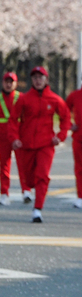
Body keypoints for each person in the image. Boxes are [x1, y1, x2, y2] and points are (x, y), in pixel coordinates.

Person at [12, 65, 70, 224]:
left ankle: (37, 209)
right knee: (30, 180)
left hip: (46, 144)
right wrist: (15, 138)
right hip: (26, 145)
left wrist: (61, 136)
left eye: (41, 77)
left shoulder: (54, 99)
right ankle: (31, 190)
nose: (38, 80)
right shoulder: (24, 99)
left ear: (46, 80)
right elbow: (13, 119)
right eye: (35, 78)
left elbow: (66, 119)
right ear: (32, 80)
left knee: (42, 176)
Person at [0, 72, 22, 204]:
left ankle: (26, 191)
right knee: (4, 167)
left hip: (18, 136)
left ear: (15, 84)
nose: (8, 84)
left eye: (11, 82)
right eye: (6, 81)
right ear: (2, 83)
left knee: (22, 165)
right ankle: (4, 193)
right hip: (3, 137)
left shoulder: (21, 98)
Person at [66, 81, 82, 209]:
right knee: (79, 169)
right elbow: (63, 110)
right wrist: (69, 125)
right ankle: (80, 196)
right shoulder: (75, 96)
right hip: (79, 139)